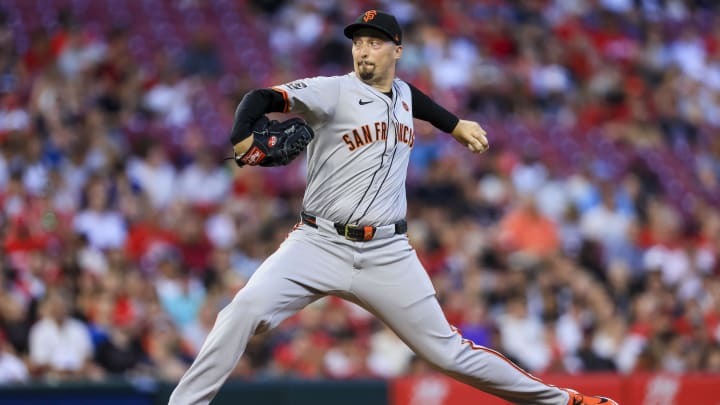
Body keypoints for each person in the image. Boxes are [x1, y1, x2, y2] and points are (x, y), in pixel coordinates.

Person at [169, 10, 618, 405]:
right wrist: (243, 139)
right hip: (318, 242)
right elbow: (260, 98)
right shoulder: (332, 91)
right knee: (241, 312)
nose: (363, 51)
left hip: (387, 253)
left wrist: (455, 124)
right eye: (358, 43)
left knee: (448, 353)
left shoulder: (402, 95)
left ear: (396, 50)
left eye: (374, 43)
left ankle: (563, 403)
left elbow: (415, 101)